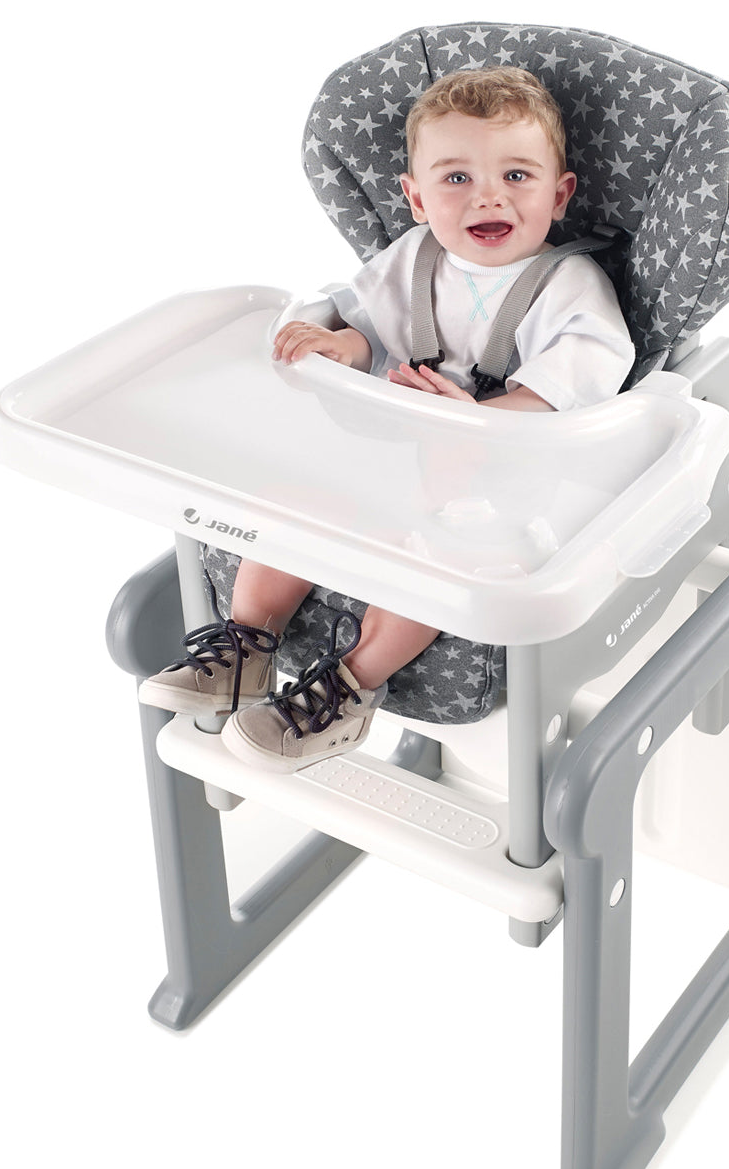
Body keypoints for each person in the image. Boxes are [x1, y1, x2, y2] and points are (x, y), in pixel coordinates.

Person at [139, 66, 634, 772]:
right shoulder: (411, 259)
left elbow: (575, 386)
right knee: (286, 505)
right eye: (456, 178)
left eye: (517, 176)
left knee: (438, 573)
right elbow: (367, 329)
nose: (488, 195)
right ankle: (245, 649)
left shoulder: (570, 288)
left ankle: (348, 690)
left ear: (559, 195)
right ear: (416, 197)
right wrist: (339, 347)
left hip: (495, 505)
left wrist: (484, 420)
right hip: (387, 477)